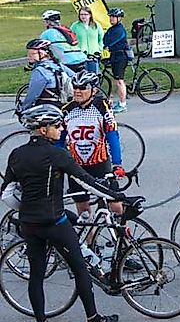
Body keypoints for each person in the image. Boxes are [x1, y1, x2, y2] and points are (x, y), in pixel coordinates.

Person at [1, 104, 123, 322]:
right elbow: (87, 182)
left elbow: (7, 194)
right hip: (54, 222)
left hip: (29, 224)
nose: (61, 128)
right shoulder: (57, 154)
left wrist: (27, 209)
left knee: (36, 275)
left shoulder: (16, 154)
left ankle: (41, 319)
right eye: (56, 125)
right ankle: (93, 318)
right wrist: (120, 197)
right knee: (80, 269)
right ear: (43, 129)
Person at [61, 70, 125, 220]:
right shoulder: (66, 110)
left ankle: (121, 240)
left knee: (115, 205)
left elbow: (112, 136)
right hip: (76, 167)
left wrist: (117, 164)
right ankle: (88, 243)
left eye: (83, 88)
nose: (77, 91)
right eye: (75, 87)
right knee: (83, 212)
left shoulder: (103, 108)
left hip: (100, 164)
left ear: (93, 90)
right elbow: (59, 141)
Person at [20, 38, 75, 111]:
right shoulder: (58, 65)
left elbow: (32, 95)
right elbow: (75, 77)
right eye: (28, 53)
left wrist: (24, 109)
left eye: (33, 54)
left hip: (46, 108)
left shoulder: (40, 71)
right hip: (63, 105)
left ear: (43, 54)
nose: (29, 56)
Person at [103, 8, 131, 113]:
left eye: (113, 17)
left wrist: (104, 46)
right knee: (116, 80)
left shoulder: (120, 30)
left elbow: (110, 42)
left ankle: (123, 104)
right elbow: (105, 39)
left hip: (121, 57)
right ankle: (120, 101)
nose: (111, 19)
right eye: (110, 16)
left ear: (119, 18)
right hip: (114, 56)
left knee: (120, 81)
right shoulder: (112, 29)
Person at [71, 7, 104, 73]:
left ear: (90, 15)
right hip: (80, 55)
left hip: (93, 55)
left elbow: (101, 38)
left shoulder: (96, 25)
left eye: (85, 14)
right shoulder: (75, 26)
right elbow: (70, 38)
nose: (83, 16)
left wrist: (100, 48)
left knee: (94, 74)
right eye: (81, 14)